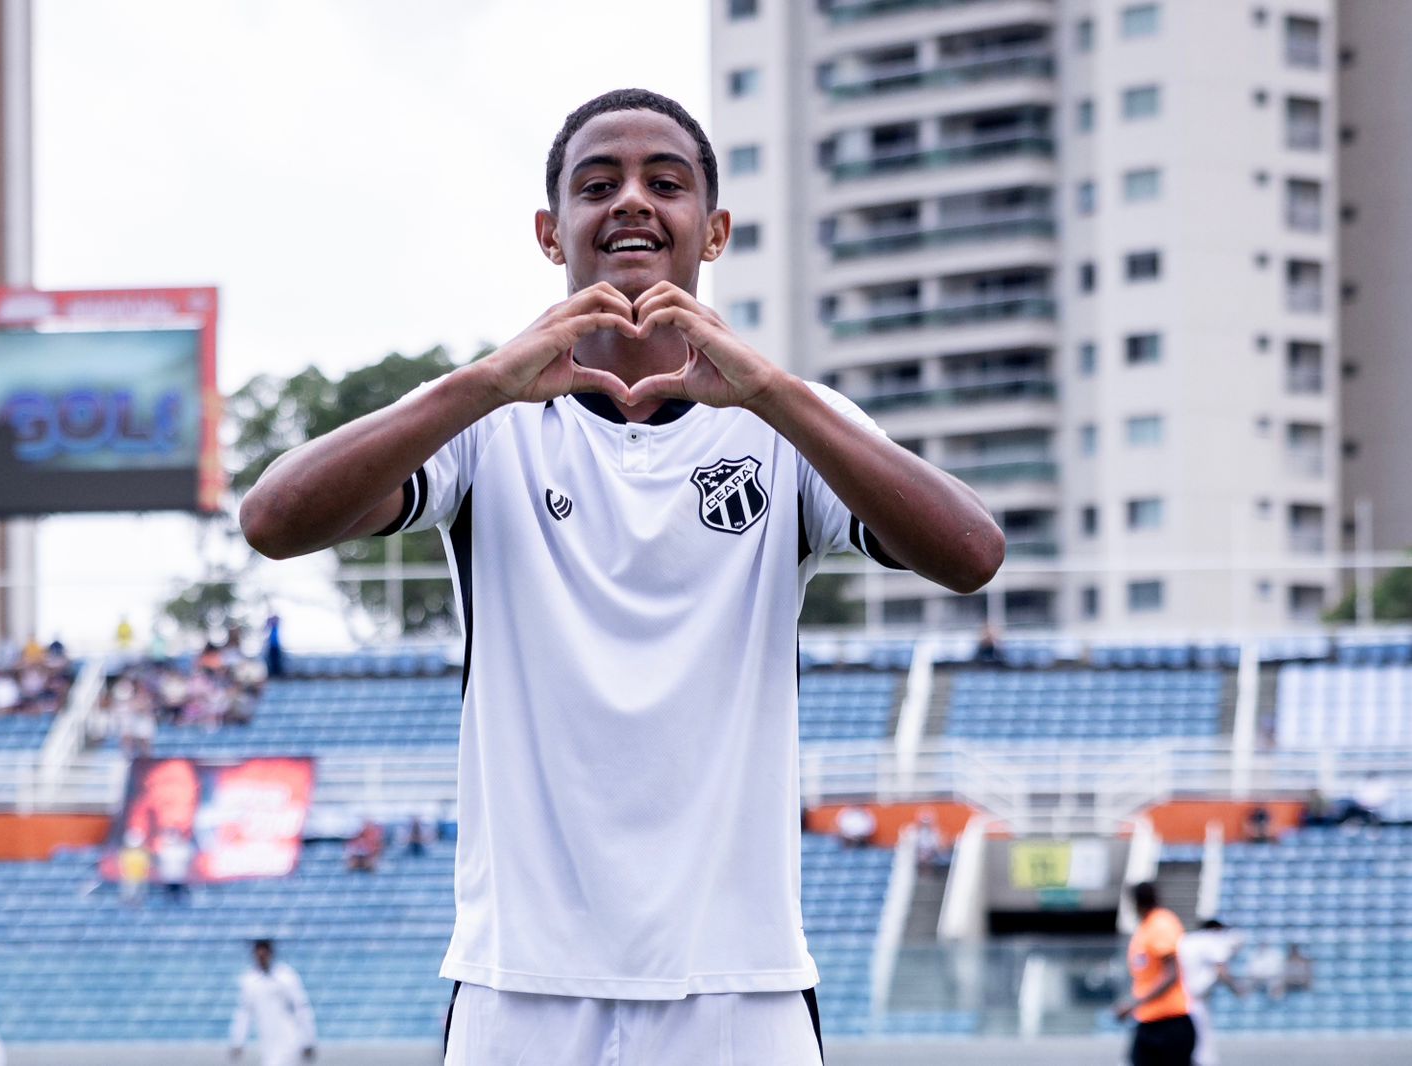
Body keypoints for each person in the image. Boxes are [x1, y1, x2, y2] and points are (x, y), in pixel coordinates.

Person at [238, 87, 1003, 1065]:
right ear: (551, 232)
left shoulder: (783, 423)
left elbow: (971, 554)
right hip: (521, 979)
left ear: (713, 229)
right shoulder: (487, 423)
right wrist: (484, 380)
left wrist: (769, 389)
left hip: (740, 978)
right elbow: (272, 521)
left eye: (665, 183)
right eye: (598, 185)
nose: (632, 201)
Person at [1115, 882, 1196, 1066]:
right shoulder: (1145, 927)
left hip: (1170, 1022)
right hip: (1149, 1020)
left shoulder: (1161, 924)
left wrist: (1134, 1003)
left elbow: (1171, 974)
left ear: (1135, 902)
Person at [229, 940, 316, 1066]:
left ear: (271, 954)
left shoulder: (286, 976)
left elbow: (301, 1007)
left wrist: (308, 1039)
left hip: (290, 1040)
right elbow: (244, 1013)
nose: (261, 958)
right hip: (267, 1042)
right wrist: (238, 1041)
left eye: (264, 954)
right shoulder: (250, 980)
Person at [1178, 919, 1246, 1066]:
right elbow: (1222, 970)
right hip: (1193, 1003)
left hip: (1177, 1001)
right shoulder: (1211, 940)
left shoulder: (1189, 940)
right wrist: (1236, 989)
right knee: (1204, 1051)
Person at [264, 613, 286, 678]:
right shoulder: (270, 627)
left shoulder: (275, 627)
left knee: (277, 661)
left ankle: (277, 673)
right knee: (272, 661)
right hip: (271, 646)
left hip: (275, 646)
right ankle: (273, 673)